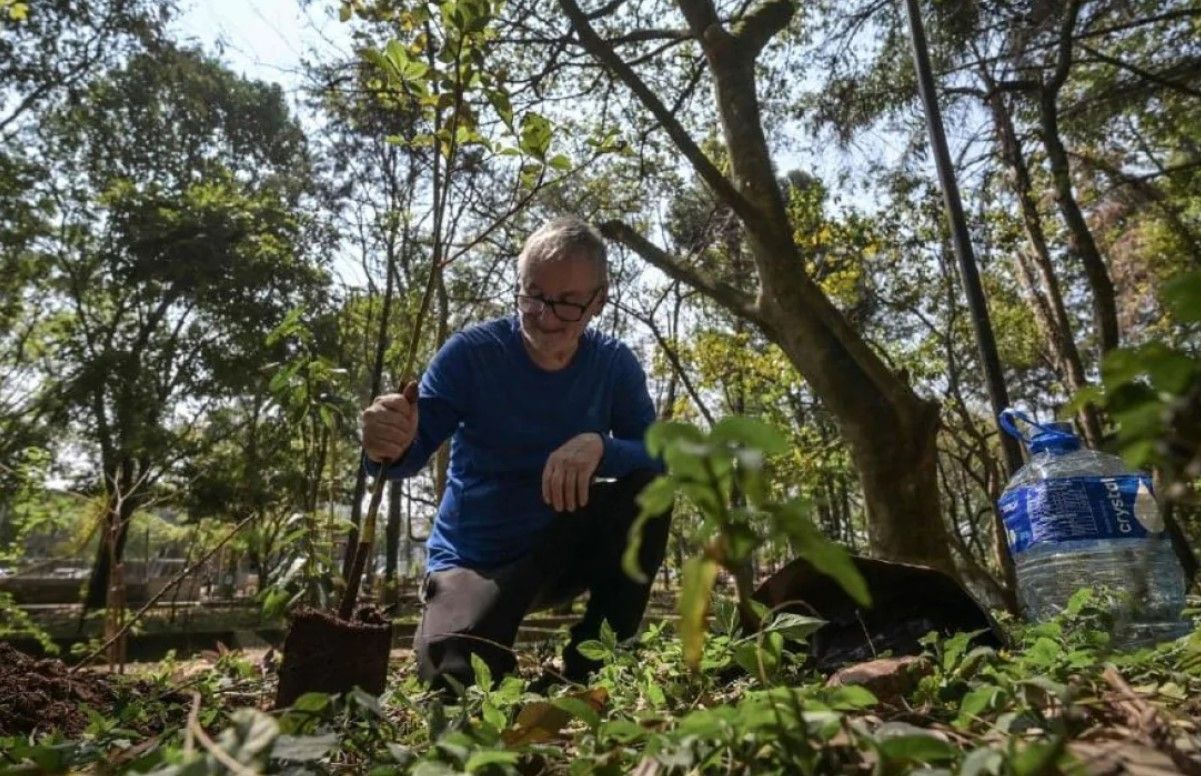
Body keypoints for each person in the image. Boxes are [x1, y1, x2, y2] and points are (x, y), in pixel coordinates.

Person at [359, 215, 671, 694]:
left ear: (599, 301)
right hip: (475, 557)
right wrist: (385, 440)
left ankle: (599, 663)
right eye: (533, 298)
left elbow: (658, 457)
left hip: (561, 544)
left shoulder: (613, 365)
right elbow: (407, 455)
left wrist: (601, 448)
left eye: (567, 304)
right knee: (453, 680)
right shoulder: (471, 354)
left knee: (649, 492)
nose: (545, 319)